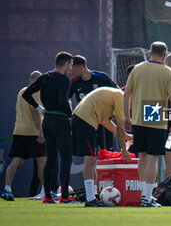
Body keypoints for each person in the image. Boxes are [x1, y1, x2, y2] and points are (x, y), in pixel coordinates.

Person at [123, 41, 171, 207]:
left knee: (142, 157)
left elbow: (127, 94)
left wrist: (127, 116)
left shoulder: (138, 68)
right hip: (155, 116)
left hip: (139, 117)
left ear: (149, 53)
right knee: (153, 158)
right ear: (164, 56)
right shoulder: (168, 72)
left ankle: (144, 195)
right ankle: (147, 198)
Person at [23, 51, 80, 204]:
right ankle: (65, 198)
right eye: (71, 64)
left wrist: (40, 108)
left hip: (47, 121)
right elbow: (63, 101)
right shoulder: (64, 80)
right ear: (66, 63)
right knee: (66, 159)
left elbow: (26, 94)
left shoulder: (44, 78)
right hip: (61, 121)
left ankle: (47, 196)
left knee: (51, 160)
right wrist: (71, 116)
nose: (71, 68)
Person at [72, 87, 132, 207]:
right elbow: (120, 127)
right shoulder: (120, 97)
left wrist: (126, 137)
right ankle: (90, 199)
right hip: (85, 120)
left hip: (83, 120)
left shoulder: (115, 96)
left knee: (92, 160)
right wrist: (124, 150)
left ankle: (93, 197)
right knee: (90, 159)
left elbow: (106, 122)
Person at [1, 71, 46, 201]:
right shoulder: (35, 91)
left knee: (16, 161)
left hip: (19, 131)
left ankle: (7, 189)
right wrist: (40, 131)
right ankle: (45, 192)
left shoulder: (21, 91)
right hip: (32, 132)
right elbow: (34, 111)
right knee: (42, 160)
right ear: (37, 81)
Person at [69, 55, 117, 151]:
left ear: (80, 67)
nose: (71, 71)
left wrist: (114, 112)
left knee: (109, 152)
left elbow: (117, 92)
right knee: (90, 154)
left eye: (73, 68)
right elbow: (67, 98)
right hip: (87, 122)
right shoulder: (74, 82)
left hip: (104, 121)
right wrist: (71, 113)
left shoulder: (101, 77)